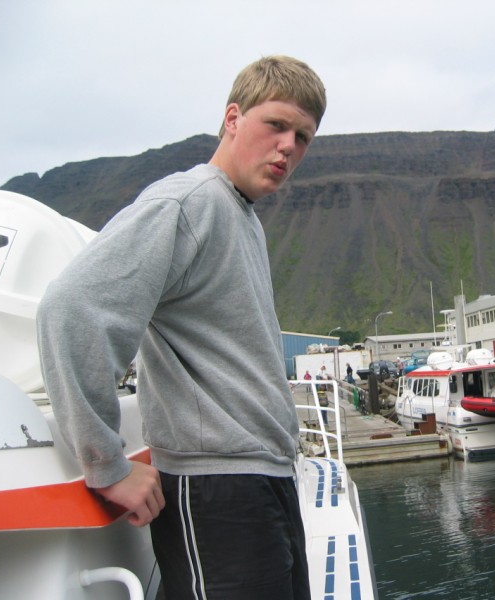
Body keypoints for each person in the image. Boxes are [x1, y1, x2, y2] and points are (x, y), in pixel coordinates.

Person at [36, 55, 326, 600]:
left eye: (303, 137)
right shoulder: (189, 203)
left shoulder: (243, 218)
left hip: (266, 480)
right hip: (216, 493)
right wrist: (107, 465)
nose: (288, 146)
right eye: (276, 125)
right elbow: (71, 308)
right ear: (233, 118)